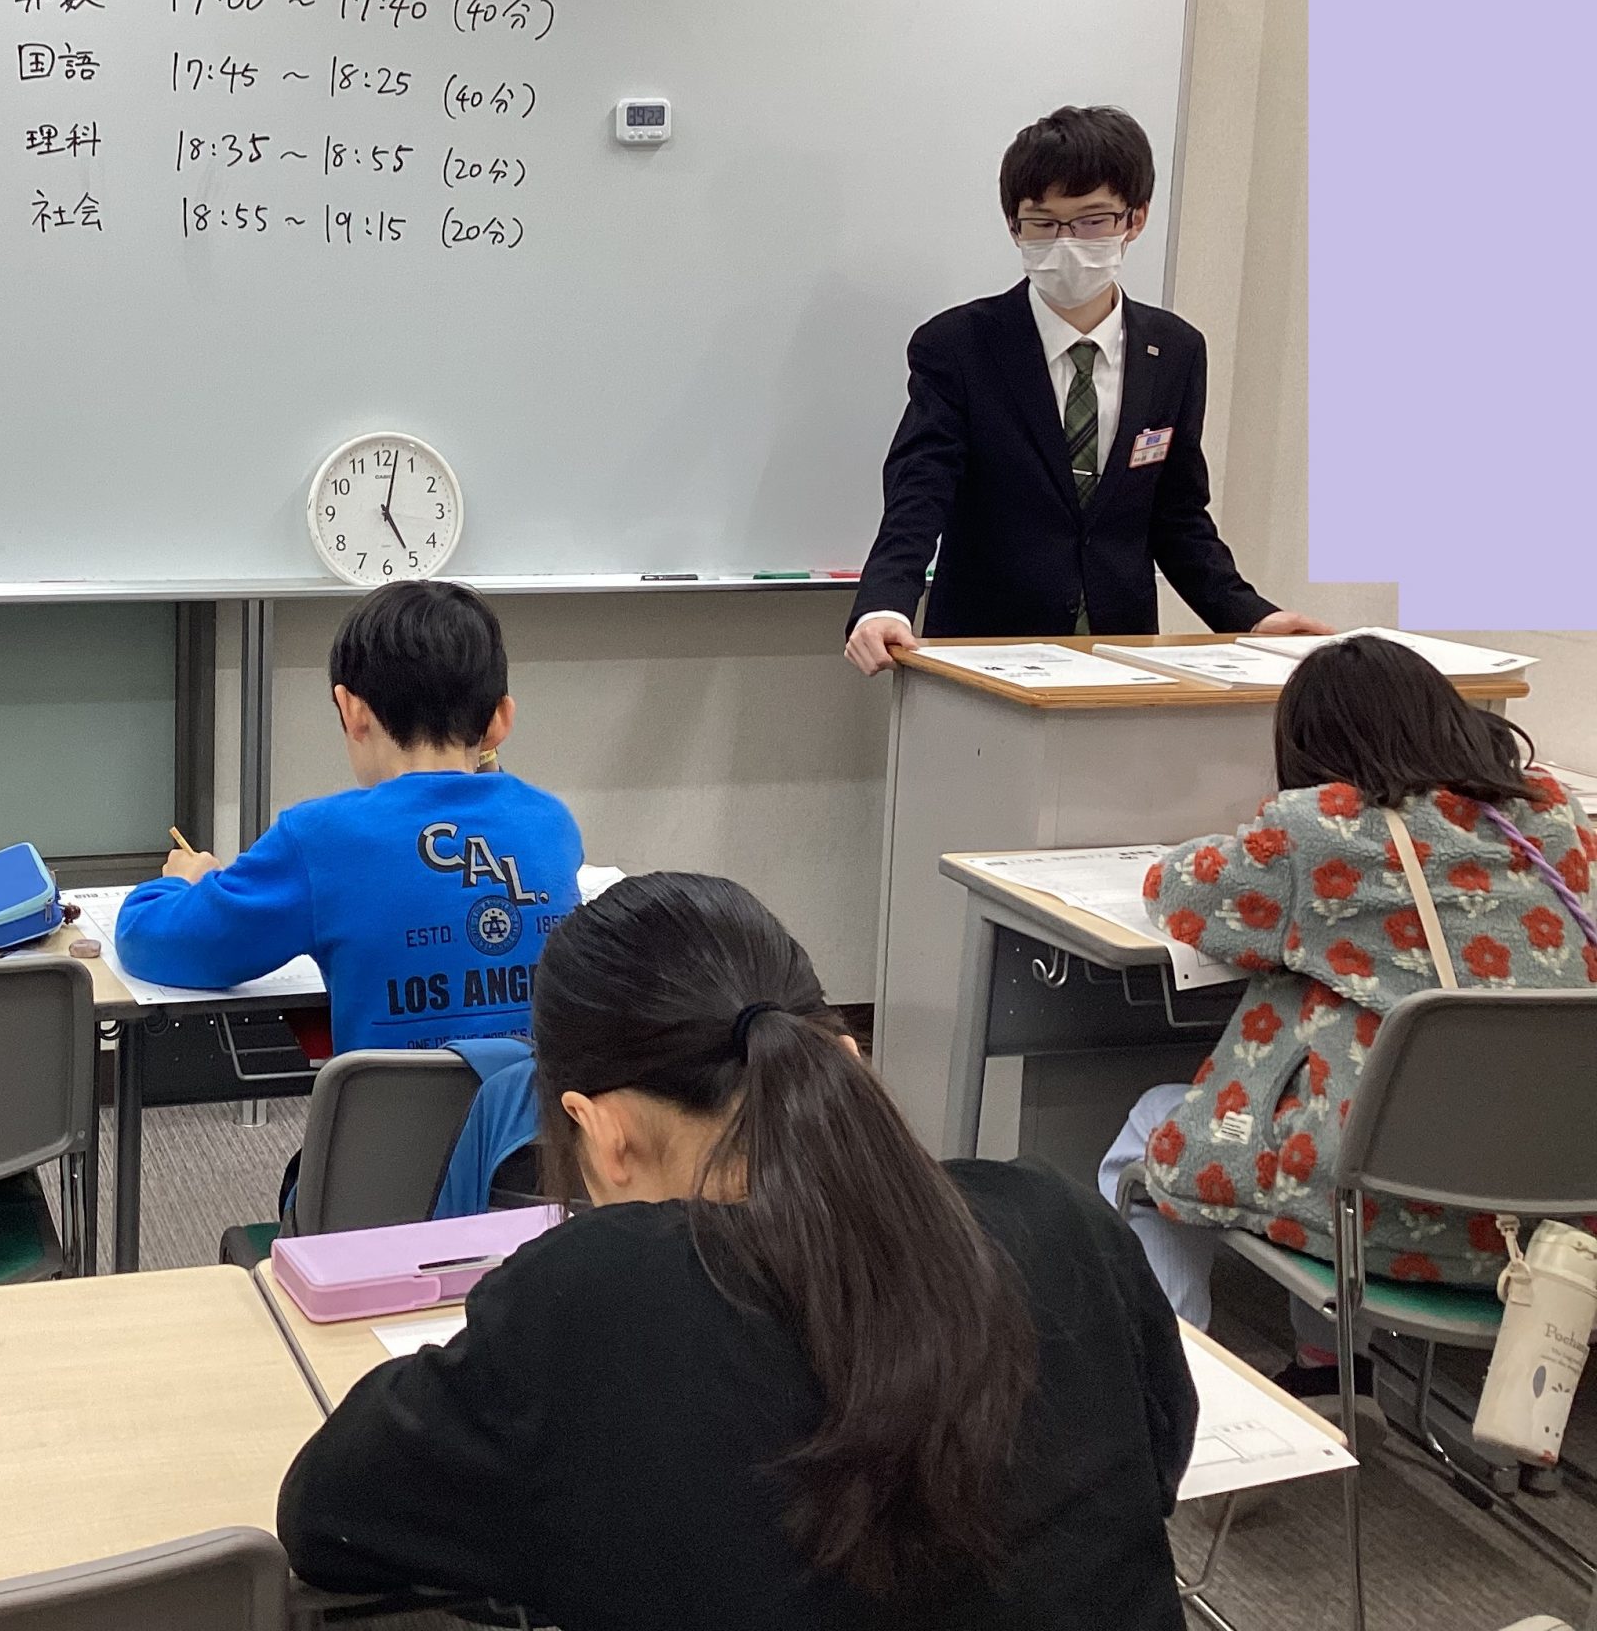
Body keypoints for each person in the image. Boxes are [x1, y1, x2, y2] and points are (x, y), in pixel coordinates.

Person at [281, 874, 1196, 1631]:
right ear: (846, 1056)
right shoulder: (1061, 1217)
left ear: (601, 1133)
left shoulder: (596, 1300)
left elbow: (326, 1514)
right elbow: (1158, 1461)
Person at [1105, 635, 1597, 1368]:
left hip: (1384, 1216)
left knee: (1158, 1130)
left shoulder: (1323, 829)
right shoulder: (1553, 820)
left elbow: (1178, 893)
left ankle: (1179, 1383)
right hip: (1558, 1221)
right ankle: (1328, 1371)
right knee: (1336, 1083)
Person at [845, 105, 1325, 674]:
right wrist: (885, 603)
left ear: (1135, 218)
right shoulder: (959, 346)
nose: (1067, 242)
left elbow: (1177, 517)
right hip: (985, 655)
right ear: (1013, 225)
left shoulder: (1175, 351)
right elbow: (919, 491)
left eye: (1093, 220)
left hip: (1120, 655)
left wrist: (1252, 618)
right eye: (1043, 223)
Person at [116, 579, 584, 1057]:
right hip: (542, 1108)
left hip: (390, 1111)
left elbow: (150, 941)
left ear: (352, 709)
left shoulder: (320, 839)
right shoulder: (551, 823)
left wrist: (179, 883)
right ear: (501, 719)